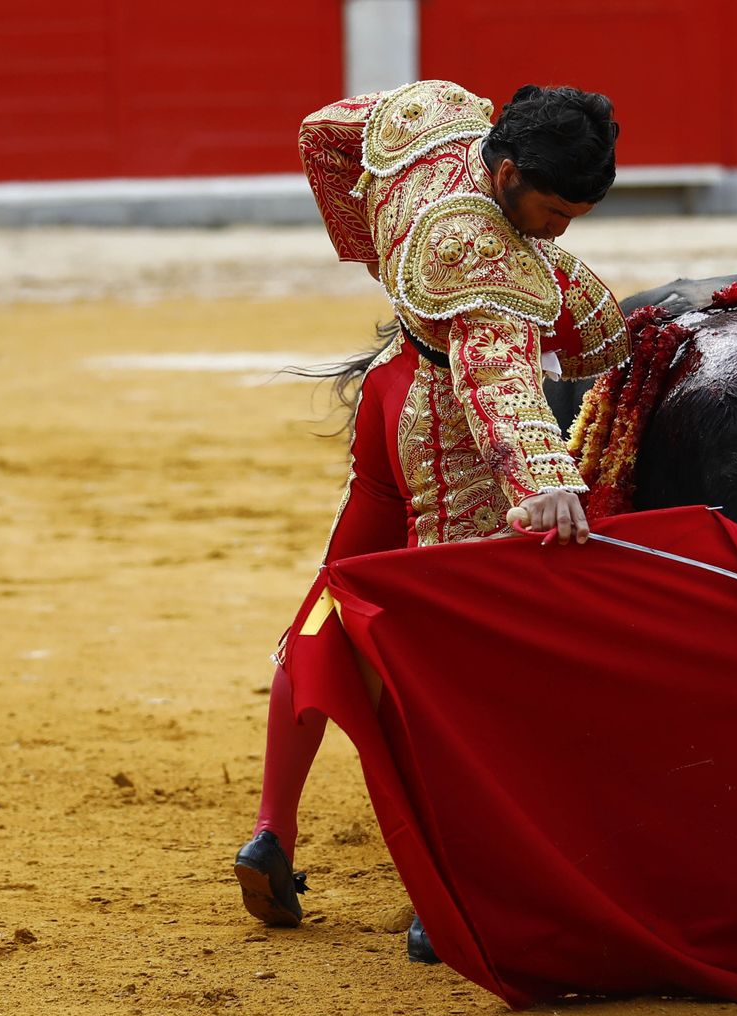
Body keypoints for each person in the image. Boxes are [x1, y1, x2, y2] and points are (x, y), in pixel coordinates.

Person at [233, 79, 631, 932]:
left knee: (332, 601)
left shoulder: (436, 118)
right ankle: (440, 887)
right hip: (442, 428)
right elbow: (500, 378)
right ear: (510, 169)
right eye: (553, 211)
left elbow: (323, 133)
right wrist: (545, 482)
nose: (560, 229)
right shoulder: (494, 266)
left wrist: (376, 253)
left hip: (387, 392)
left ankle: (272, 828)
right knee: (449, 651)